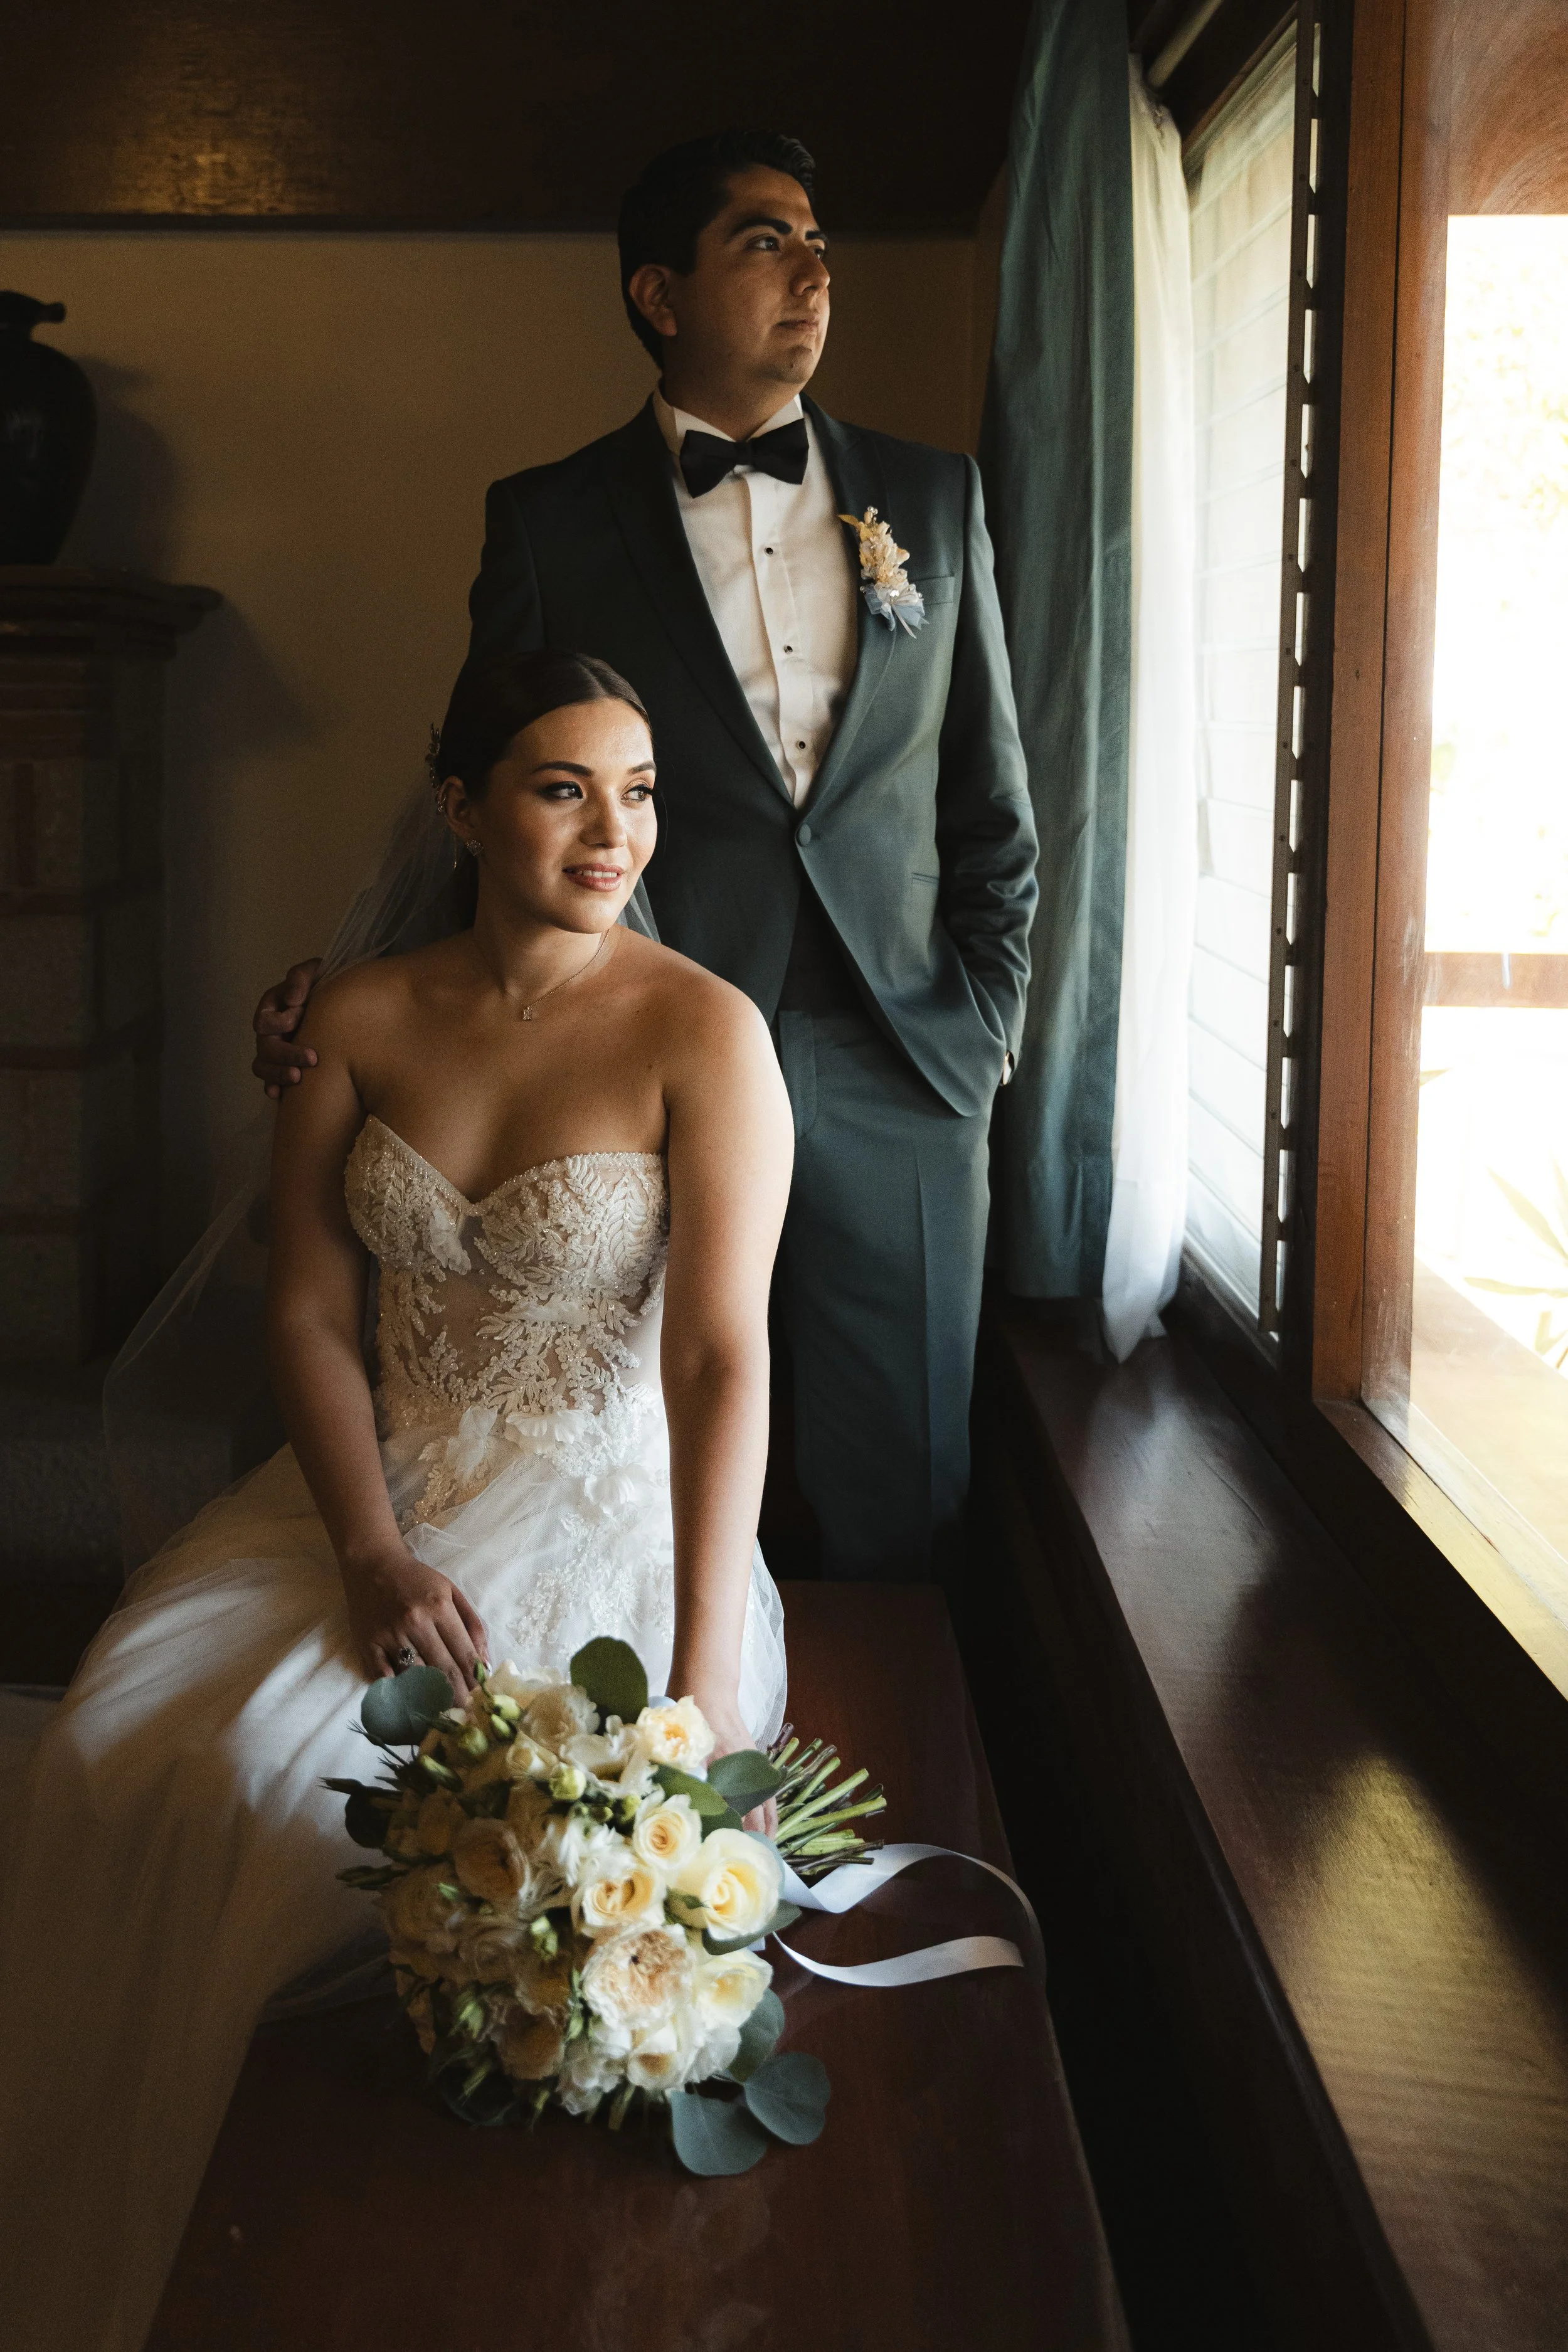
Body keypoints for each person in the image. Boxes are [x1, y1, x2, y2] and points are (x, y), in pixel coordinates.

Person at [0, 650, 792, 2352]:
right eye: (563, 787)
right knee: (121, 1750)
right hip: (372, 1498)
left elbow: (724, 1357)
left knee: (341, 1826)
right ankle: (150, 2244)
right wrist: (367, 1547)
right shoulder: (351, 1019)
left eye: (640, 790)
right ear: (460, 807)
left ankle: (407, 2264)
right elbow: (304, 1310)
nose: (614, 830)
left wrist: (704, 1678)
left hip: (600, 1514)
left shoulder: (702, 1033)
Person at [254, 128, 1038, 1587]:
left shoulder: (931, 501)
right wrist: (351, 991)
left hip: (903, 1055)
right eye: (764, 241)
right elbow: (494, 790)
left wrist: (983, 1022)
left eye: (818, 242)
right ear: (658, 295)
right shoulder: (548, 519)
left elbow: (990, 804)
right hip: (638, 1055)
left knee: (898, 1475)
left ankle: (842, 1734)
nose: (813, 271)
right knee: (642, 1455)